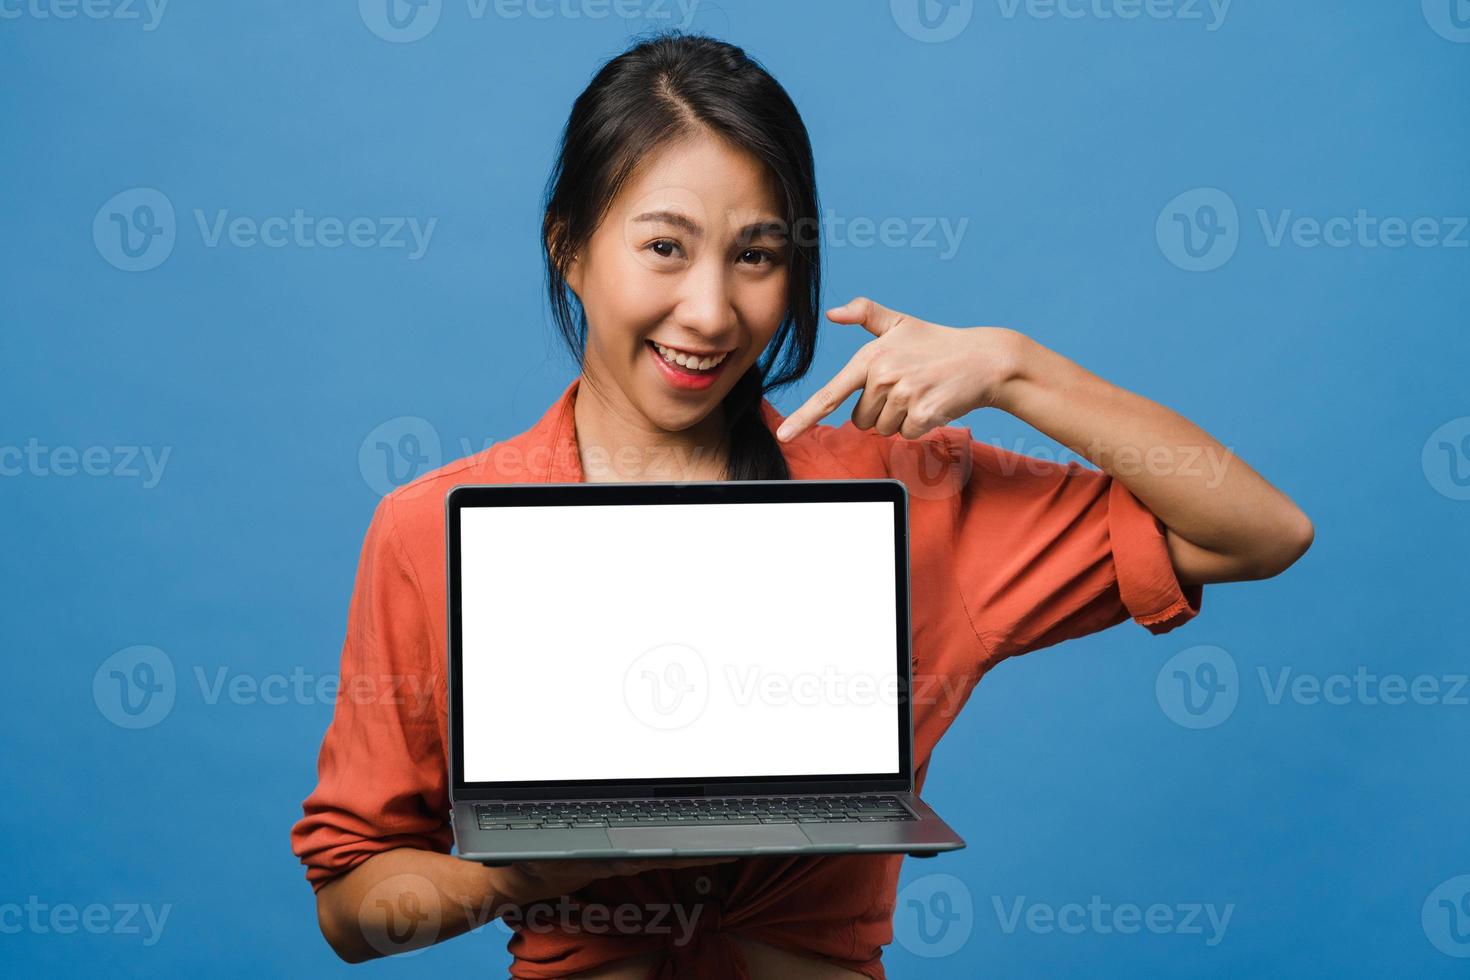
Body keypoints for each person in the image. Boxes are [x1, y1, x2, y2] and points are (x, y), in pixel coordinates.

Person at [290, 32, 1312, 978]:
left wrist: (1012, 366)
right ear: (569, 246)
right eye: (664, 247)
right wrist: (530, 871)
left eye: (756, 255)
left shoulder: (904, 487)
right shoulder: (432, 529)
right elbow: (353, 905)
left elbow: (1261, 529)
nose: (710, 311)